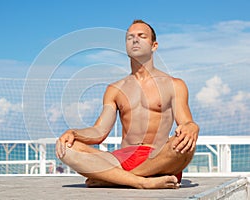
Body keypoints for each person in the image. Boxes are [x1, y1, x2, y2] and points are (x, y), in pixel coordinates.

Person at [56, 19, 199, 189]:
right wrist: (73, 133)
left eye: (141, 36)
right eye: (130, 37)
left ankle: (112, 178)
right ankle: (141, 181)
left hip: (158, 158)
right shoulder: (115, 89)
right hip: (121, 158)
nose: (135, 39)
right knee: (67, 147)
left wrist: (191, 126)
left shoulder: (174, 85)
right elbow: (99, 131)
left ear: (154, 45)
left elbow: (185, 122)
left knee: (185, 145)